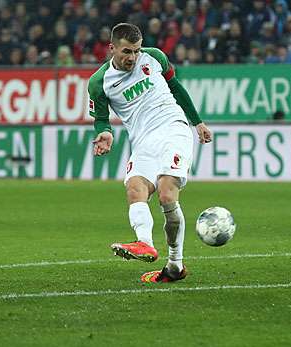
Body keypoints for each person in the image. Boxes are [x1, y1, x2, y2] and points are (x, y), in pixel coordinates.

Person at [88, 23, 212, 283]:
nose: (132, 57)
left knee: (167, 194)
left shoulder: (154, 57)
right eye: (126, 52)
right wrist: (106, 132)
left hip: (172, 128)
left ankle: (175, 264)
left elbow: (176, 87)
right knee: (135, 188)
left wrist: (197, 122)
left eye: (135, 51)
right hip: (142, 141)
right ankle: (144, 244)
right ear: (111, 48)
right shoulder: (99, 83)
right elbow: (102, 119)